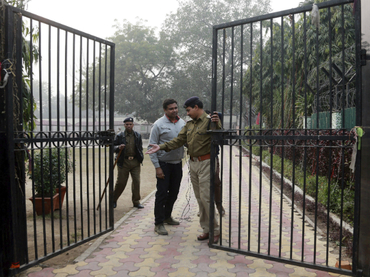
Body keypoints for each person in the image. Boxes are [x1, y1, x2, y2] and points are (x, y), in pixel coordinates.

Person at [146, 96, 221, 243]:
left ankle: (215, 230)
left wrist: (217, 123)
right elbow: (178, 141)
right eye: (172, 108)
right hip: (192, 163)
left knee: (206, 198)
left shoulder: (210, 121)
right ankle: (206, 229)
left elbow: (218, 137)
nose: (186, 113)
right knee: (200, 199)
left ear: (196, 107)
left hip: (206, 162)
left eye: (188, 110)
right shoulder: (189, 124)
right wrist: (160, 147)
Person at [148, 99, 186, 235]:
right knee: (162, 194)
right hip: (164, 164)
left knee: (174, 192)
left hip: (177, 163)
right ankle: (158, 223)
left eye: (176, 108)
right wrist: (157, 168)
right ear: (165, 110)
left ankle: (167, 216)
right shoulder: (158, 125)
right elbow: (151, 147)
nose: (174, 110)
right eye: (171, 109)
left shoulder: (183, 123)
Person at [113, 117, 144, 209]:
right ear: (124, 125)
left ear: (133, 125)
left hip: (135, 161)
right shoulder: (120, 135)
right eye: (127, 124)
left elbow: (140, 147)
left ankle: (136, 201)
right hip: (124, 161)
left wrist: (140, 157)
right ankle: (113, 199)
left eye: (130, 124)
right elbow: (113, 147)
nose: (129, 126)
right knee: (121, 182)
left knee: (136, 181)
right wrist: (118, 147)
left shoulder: (137, 135)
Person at [205, 110, 225, 217]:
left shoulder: (218, 116)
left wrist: (217, 123)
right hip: (201, 155)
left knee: (216, 181)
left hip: (213, 156)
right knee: (203, 184)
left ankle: (219, 205)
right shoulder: (199, 118)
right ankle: (205, 207)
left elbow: (221, 136)